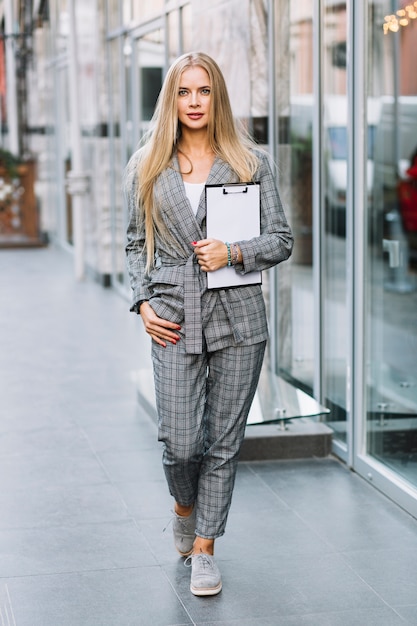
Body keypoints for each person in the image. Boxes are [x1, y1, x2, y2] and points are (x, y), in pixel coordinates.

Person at [125, 51, 293, 596]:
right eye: (183, 92)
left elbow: (281, 241)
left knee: (223, 441)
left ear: (216, 96)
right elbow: (133, 244)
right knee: (178, 441)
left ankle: (205, 548)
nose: (194, 102)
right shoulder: (147, 164)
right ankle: (183, 508)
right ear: (170, 99)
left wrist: (235, 251)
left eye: (203, 91)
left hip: (239, 320)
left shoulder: (250, 162)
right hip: (173, 317)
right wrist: (142, 303)